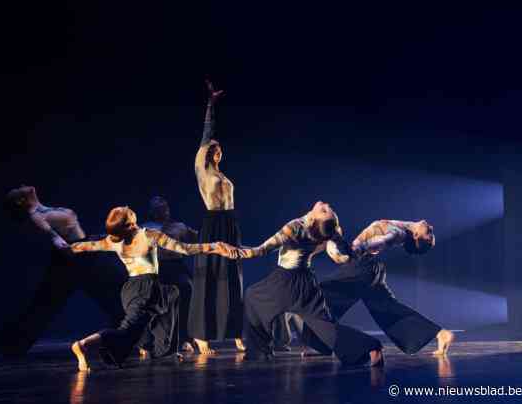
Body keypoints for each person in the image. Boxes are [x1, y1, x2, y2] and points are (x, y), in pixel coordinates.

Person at [69, 206, 237, 371]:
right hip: (145, 288)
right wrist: (215, 246)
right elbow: (186, 249)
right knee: (127, 331)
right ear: (130, 222)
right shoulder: (149, 235)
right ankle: (84, 345)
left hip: (132, 288)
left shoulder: (113, 240)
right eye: (129, 213)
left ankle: (165, 351)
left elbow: (88, 246)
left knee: (168, 299)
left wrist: (70, 247)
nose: (129, 209)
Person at [0, 185, 126, 359]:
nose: (23, 186)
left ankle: (126, 339)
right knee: (43, 306)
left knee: (112, 298)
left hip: (82, 258)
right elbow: (60, 243)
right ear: (20, 200)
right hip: (72, 261)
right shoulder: (35, 216)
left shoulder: (43, 210)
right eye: (19, 190)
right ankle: (4, 347)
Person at [236, 202, 384, 366]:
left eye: (324, 210)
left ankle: (258, 353)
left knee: (253, 297)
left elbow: (261, 250)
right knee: (325, 325)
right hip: (307, 282)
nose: (326, 205)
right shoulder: (331, 231)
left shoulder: (295, 227)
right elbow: (345, 250)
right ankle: (370, 348)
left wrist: (229, 250)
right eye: (328, 209)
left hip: (285, 280)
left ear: (313, 218)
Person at [322, 219, 454, 355]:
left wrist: (358, 248)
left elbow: (384, 240)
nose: (431, 227)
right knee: (386, 308)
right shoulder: (405, 228)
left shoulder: (398, 233)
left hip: (363, 266)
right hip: (372, 268)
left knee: (321, 299)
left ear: (416, 236)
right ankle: (439, 333)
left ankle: (322, 342)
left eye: (429, 234)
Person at [189, 78, 245, 354]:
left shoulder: (222, 173)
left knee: (232, 276)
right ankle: (201, 335)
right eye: (211, 147)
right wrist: (211, 104)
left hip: (230, 223)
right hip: (212, 224)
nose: (215, 148)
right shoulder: (203, 170)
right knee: (209, 277)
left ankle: (235, 331)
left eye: (217, 147)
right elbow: (206, 133)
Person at [142, 196, 198, 353]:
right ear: (152, 212)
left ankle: (186, 338)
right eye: (159, 208)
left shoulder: (179, 227)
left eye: (165, 208)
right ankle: (147, 341)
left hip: (175, 266)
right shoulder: (145, 228)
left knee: (187, 289)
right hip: (154, 268)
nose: (164, 211)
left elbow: (196, 238)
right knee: (149, 298)